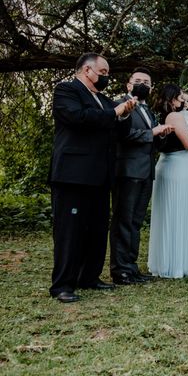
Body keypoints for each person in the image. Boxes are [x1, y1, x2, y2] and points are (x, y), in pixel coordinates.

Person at [49, 52, 136, 303]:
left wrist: (125, 114)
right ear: (87, 70)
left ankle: (90, 277)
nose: (106, 77)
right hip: (73, 174)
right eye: (103, 72)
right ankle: (63, 284)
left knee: (97, 229)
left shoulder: (105, 100)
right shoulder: (66, 91)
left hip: (101, 175)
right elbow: (78, 118)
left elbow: (120, 131)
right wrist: (115, 112)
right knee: (70, 231)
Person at [110, 67, 173, 285]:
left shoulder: (149, 110)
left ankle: (132, 266)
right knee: (123, 221)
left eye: (146, 82)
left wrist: (161, 134)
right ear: (128, 84)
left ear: (151, 87)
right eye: (138, 81)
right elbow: (121, 135)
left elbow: (152, 141)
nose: (142, 85)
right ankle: (120, 271)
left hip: (146, 171)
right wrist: (151, 133)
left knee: (135, 222)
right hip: (127, 172)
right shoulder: (120, 105)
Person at [147, 84, 188, 278]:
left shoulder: (167, 116)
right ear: (172, 100)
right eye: (180, 98)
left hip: (172, 164)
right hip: (176, 166)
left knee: (171, 214)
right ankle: (173, 265)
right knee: (175, 213)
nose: (183, 102)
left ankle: (167, 262)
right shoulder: (175, 116)